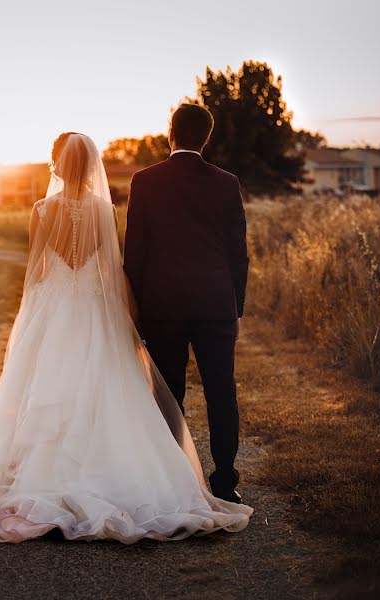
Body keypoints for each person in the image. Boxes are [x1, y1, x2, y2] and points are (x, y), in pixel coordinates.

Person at [0, 133, 252, 543]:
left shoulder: (42, 210)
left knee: (49, 389)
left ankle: (44, 476)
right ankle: (122, 475)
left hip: (55, 306)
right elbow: (112, 270)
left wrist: (34, 312)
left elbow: (36, 269)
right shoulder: (102, 209)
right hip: (95, 307)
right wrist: (129, 314)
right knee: (106, 388)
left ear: (58, 163)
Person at [124, 104, 249, 504]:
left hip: (163, 306)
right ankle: (225, 481)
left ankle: (173, 478)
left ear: (170, 133)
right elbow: (238, 253)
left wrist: (138, 310)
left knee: (167, 394)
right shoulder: (228, 183)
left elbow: (135, 255)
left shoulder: (144, 181)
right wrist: (236, 307)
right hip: (216, 305)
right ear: (206, 138)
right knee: (221, 393)